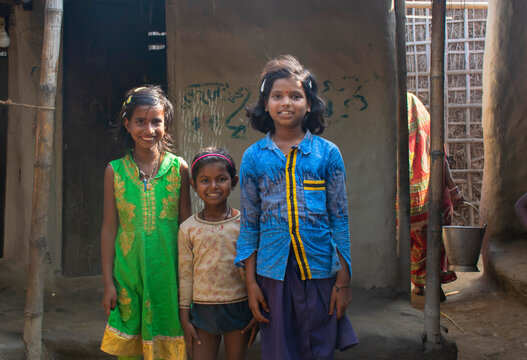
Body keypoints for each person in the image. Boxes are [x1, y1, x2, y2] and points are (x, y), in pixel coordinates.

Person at [235, 55, 358, 360]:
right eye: (277, 96)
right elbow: (250, 225)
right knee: (280, 350)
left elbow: (339, 220)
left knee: (319, 347)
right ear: (266, 104)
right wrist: (251, 284)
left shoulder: (327, 154)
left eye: (295, 95)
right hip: (272, 272)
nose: (285, 102)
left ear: (309, 103)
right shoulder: (254, 157)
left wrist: (343, 281)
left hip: (319, 270)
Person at [100, 85, 191, 359]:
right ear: (127, 125)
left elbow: (187, 226)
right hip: (129, 272)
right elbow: (109, 228)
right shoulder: (114, 171)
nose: (148, 129)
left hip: (169, 273)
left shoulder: (179, 169)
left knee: (169, 337)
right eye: (140, 121)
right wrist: (108, 283)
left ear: (166, 124)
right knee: (131, 343)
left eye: (156, 122)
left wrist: (192, 279)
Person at [178, 148, 258, 359]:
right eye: (205, 180)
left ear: (233, 181)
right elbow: (186, 276)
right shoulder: (188, 228)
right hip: (202, 312)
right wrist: (185, 318)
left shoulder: (245, 224)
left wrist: (256, 311)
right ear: (193, 185)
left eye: (221, 179)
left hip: (239, 307)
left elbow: (254, 272)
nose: (213, 186)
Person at [406, 92, 464, 300]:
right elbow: (441, 156)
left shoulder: (392, 124)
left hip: (407, 199)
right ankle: (430, 283)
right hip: (435, 195)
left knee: (412, 242)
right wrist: (453, 189)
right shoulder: (425, 122)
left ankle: (423, 284)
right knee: (435, 239)